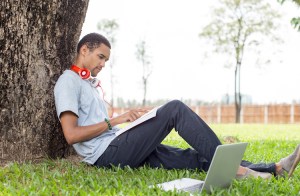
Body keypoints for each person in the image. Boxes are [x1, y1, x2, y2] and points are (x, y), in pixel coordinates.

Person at [54, 32, 300, 180]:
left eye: (106, 60)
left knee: (194, 157)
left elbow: (103, 126)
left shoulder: (89, 85)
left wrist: (134, 120)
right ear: (84, 49)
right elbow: (71, 134)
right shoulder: (68, 81)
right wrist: (116, 120)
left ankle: (276, 169)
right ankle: (233, 169)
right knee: (174, 109)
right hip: (106, 155)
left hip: (119, 143)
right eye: (101, 57)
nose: (103, 64)